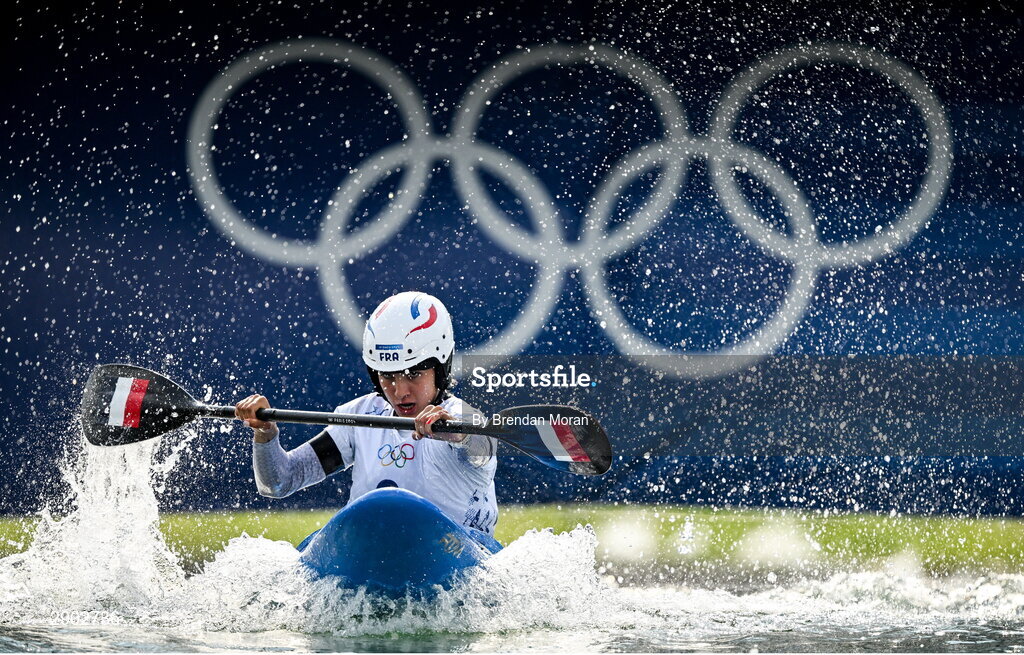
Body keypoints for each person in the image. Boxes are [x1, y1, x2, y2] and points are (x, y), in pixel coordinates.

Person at [234, 291, 498, 537]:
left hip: (453, 558)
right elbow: (279, 482)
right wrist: (264, 433)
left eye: (414, 374)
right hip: (373, 556)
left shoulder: (464, 416)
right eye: (387, 376)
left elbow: (483, 446)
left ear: (441, 368)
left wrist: (456, 433)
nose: (399, 391)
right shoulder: (360, 417)